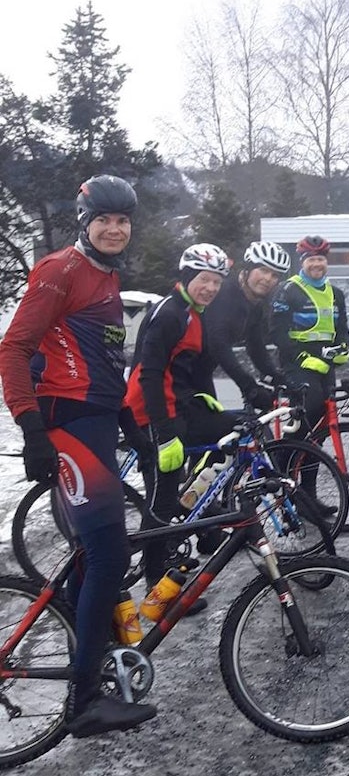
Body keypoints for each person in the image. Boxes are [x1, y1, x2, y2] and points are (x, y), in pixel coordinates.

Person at [0, 174, 157, 736]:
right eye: (104, 220)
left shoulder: (108, 276)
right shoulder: (60, 269)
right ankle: (84, 701)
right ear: (84, 221)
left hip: (96, 423)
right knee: (110, 557)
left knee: (94, 558)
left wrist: (128, 422)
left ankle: (80, 648)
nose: (114, 229)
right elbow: (13, 348)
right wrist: (31, 428)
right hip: (65, 426)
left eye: (122, 221)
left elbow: (102, 363)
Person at [124, 244, 237, 592]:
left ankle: (204, 521)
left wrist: (210, 407)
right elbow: (150, 375)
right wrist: (164, 431)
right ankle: (155, 579)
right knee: (161, 498)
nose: (211, 288)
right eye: (204, 280)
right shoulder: (171, 313)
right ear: (187, 278)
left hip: (174, 407)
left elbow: (194, 371)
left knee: (231, 433)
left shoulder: (193, 311)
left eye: (217, 282)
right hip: (149, 413)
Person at [270, 235, 349, 432]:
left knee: (325, 414)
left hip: (325, 362)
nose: (316, 264)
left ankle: (309, 463)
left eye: (320, 259)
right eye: (311, 259)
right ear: (302, 262)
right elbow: (276, 331)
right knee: (309, 408)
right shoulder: (288, 289)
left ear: (326, 262)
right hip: (296, 361)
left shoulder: (336, 294)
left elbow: (342, 328)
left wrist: (344, 347)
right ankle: (286, 457)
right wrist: (299, 356)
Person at [202, 241, 291, 413]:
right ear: (248, 268)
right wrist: (248, 386)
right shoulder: (225, 294)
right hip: (176, 374)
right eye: (263, 270)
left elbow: (256, 347)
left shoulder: (254, 303)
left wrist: (280, 379)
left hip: (201, 372)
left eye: (274, 275)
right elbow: (218, 345)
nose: (268, 279)